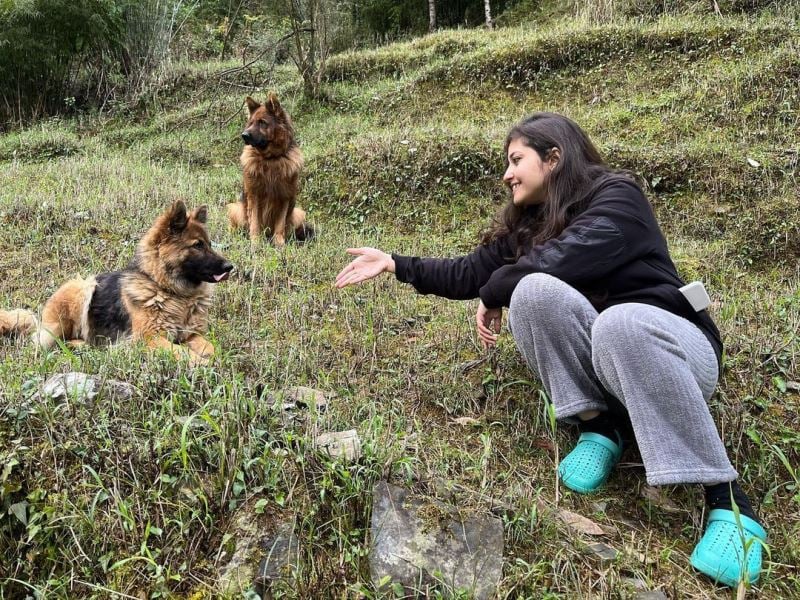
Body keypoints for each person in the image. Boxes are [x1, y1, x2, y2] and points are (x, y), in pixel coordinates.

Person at [335, 112, 767, 589]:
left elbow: (567, 256)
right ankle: (598, 429)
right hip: (607, 362)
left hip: (674, 350)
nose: (507, 174)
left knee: (616, 320)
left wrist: (497, 287)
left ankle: (728, 501)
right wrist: (396, 264)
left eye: (516, 159)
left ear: (554, 157)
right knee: (535, 291)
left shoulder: (618, 197)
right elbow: (468, 273)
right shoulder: (531, 225)